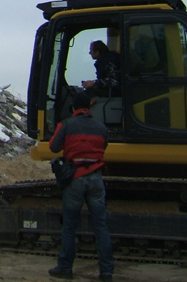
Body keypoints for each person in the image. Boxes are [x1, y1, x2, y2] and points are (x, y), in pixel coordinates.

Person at [48, 89, 115, 280]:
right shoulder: (101, 127)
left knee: (69, 225)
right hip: (96, 178)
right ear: (89, 107)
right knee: (100, 226)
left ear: (73, 107)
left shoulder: (66, 125)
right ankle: (106, 271)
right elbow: (104, 146)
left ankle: (65, 268)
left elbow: (53, 147)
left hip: (75, 178)